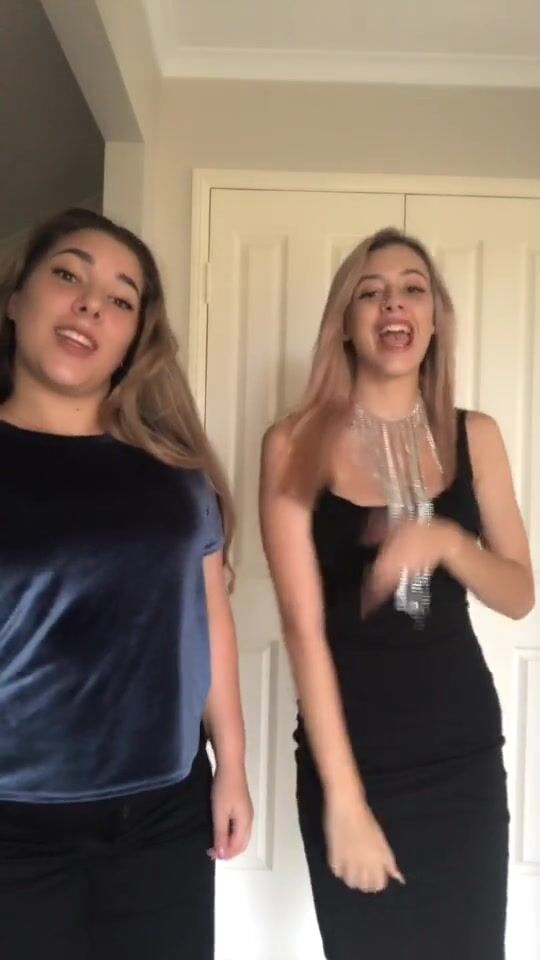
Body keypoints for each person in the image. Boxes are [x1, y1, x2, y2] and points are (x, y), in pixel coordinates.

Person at [259, 227, 534, 959]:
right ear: (346, 323)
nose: (393, 303)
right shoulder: (292, 444)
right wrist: (346, 801)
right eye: (371, 291)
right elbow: (303, 630)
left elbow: (519, 595)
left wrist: (447, 542)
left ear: (434, 319)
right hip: (353, 760)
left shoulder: (477, 436)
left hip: (462, 760)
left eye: (413, 288)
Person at [0, 207, 252, 960]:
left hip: (163, 820)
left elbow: (208, 621)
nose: (90, 306)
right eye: (68, 275)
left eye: (120, 298)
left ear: (134, 337)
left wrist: (233, 766)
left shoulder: (174, 475)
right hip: (14, 830)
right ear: (15, 297)